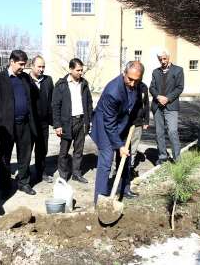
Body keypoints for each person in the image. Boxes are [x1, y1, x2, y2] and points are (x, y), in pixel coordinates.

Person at [91, 61, 144, 203]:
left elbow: (137, 104)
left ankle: (124, 188)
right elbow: (109, 122)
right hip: (105, 125)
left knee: (126, 156)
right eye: (130, 79)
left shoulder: (138, 86)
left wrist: (135, 122)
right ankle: (100, 200)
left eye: (136, 80)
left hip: (123, 122)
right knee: (106, 161)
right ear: (124, 74)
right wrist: (119, 145)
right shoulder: (112, 91)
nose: (132, 83)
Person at [0, 50, 37, 195]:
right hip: (6, 127)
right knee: (5, 158)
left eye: (24, 64)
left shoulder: (25, 78)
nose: (23, 67)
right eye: (21, 64)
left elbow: (32, 97)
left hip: (25, 124)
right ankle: (5, 186)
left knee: (25, 155)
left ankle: (23, 183)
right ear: (12, 61)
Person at [52, 58, 93, 183]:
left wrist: (89, 120)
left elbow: (89, 103)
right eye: (78, 70)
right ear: (70, 69)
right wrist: (57, 125)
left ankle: (76, 173)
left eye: (82, 70)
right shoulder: (61, 85)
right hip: (67, 123)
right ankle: (63, 176)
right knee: (64, 151)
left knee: (79, 150)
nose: (80, 72)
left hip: (81, 121)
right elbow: (55, 106)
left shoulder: (84, 84)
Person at [149, 50, 184, 165]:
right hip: (157, 106)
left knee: (172, 131)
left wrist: (167, 98)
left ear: (168, 57)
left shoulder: (178, 70)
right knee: (159, 133)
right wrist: (158, 96)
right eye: (160, 59)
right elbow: (152, 87)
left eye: (164, 58)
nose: (162, 61)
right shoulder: (155, 72)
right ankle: (162, 157)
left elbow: (179, 88)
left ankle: (177, 159)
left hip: (171, 106)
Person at [28, 56, 54, 183]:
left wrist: (54, 121)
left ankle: (41, 172)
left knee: (42, 149)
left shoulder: (48, 80)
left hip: (43, 122)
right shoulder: (25, 80)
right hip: (29, 123)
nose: (42, 69)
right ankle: (25, 176)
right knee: (27, 150)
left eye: (43, 66)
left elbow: (52, 101)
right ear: (32, 66)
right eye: (39, 66)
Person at [130, 81, 150, 170]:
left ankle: (130, 168)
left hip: (138, 122)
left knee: (133, 148)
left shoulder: (143, 87)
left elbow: (146, 104)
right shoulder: (125, 84)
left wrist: (146, 121)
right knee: (122, 147)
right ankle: (117, 169)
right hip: (125, 123)